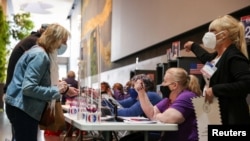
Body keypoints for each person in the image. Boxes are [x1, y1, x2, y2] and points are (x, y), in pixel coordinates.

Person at [4, 23, 71, 141]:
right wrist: (56, 89)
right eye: (63, 41)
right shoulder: (40, 56)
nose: (63, 45)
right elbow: (29, 88)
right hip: (23, 109)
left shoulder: (37, 51)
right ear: (55, 39)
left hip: (19, 106)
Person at [184, 15, 250, 125]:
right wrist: (193, 46)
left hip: (231, 117)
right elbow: (205, 57)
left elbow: (247, 83)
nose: (207, 34)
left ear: (223, 35)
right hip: (214, 113)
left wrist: (215, 89)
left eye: (212, 31)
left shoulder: (234, 56)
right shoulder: (216, 57)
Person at [120, 67, 202, 141]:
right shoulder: (168, 100)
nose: (162, 84)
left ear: (174, 85)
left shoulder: (187, 96)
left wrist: (158, 116)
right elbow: (152, 114)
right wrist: (140, 91)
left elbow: (171, 119)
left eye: (165, 81)